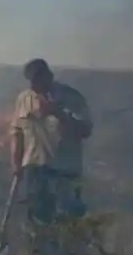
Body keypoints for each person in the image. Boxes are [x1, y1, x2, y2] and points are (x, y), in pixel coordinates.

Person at [10, 58, 93, 227]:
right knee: (38, 224)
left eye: (38, 80)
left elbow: (85, 130)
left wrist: (58, 113)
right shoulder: (24, 99)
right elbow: (17, 132)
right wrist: (16, 163)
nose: (34, 86)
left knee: (69, 225)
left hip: (66, 170)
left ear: (49, 76)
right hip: (36, 170)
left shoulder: (71, 97)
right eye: (31, 82)